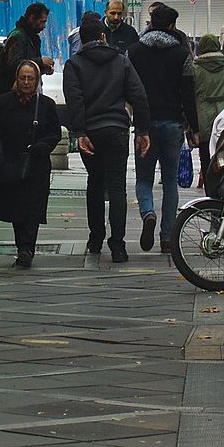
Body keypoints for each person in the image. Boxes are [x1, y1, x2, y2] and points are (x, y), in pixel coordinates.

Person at [63, 13, 151, 264]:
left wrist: (79, 132)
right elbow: (139, 96)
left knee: (94, 183)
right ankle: (118, 246)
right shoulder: (121, 61)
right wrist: (142, 131)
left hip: (90, 132)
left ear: (82, 38)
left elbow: (75, 101)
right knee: (117, 187)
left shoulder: (74, 65)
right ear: (103, 36)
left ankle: (95, 238)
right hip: (116, 130)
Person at [126, 3, 194, 253]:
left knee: (143, 178)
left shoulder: (133, 52)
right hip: (173, 123)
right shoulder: (182, 53)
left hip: (144, 125)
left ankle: (148, 213)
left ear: (151, 23)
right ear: (171, 26)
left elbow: (128, 87)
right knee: (170, 183)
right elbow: (189, 93)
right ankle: (167, 238)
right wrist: (194, 128)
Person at [0, 60, 63, 267]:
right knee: (15, 208)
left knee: (33, 208)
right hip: (11, 162)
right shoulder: (3, 103)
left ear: (37, 80)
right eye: (22, 78)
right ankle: (22, 245)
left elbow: (54, 133)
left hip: (36, 163)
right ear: (16, 79)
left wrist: (42, 147)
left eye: (30, 78)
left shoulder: (46, 104)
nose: (26, 82)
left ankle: (27, 247)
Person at [188, 33, 224, 182]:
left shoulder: (194, 69)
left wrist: (190, 128)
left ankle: (211, 192)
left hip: (203, 120)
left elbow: (189, 97)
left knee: (206, 158)